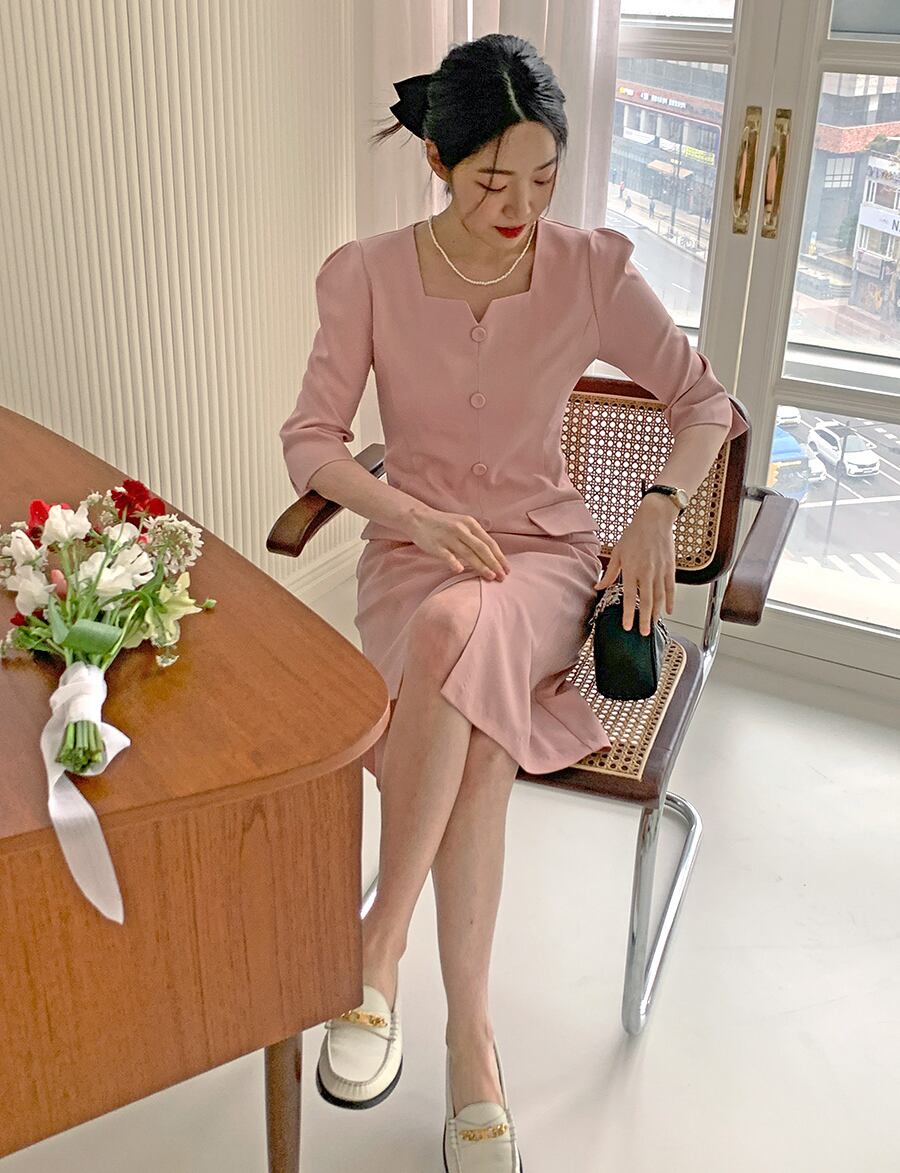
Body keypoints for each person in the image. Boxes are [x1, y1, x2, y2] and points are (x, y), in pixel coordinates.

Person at [279, 32, 747, 1172]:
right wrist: (414, 517)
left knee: (458, 631)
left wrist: (656, 509)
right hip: (411, 557)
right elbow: (313, 443)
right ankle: (471, 1051)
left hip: (543, 562)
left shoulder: (590, 268)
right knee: (475, 725)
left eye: (544, 178)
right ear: (438, 160)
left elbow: (705, 404)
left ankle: (376, 951)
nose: (523, 208)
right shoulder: (367, 273)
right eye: (495, 181)